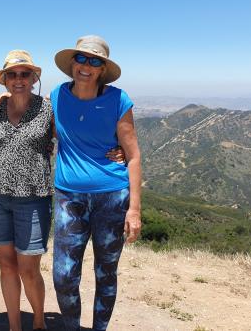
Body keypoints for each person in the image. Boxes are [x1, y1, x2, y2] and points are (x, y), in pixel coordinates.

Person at [50, 35, 142, 330]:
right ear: (72, 63)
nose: (86, 66)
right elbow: (39, 120)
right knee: (63, 276)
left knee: (106, 273)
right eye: (82, 59)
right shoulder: (56, 95)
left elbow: (134, 156)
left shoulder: (118, 100)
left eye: (94, 61)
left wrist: (135, 210)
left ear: (102, 68)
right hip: (69, 197)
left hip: (112, 197)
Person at [0, 50, 53, 331]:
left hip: (33, 198)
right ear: (5, 80)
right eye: (12, 74)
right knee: (6, 266)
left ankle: (38, 323)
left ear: (34, 78)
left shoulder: (48, 109)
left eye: (25, 74)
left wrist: (117, 151)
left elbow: (72, 139)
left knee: (28, 269)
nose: (19, 79)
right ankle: (14, 326)